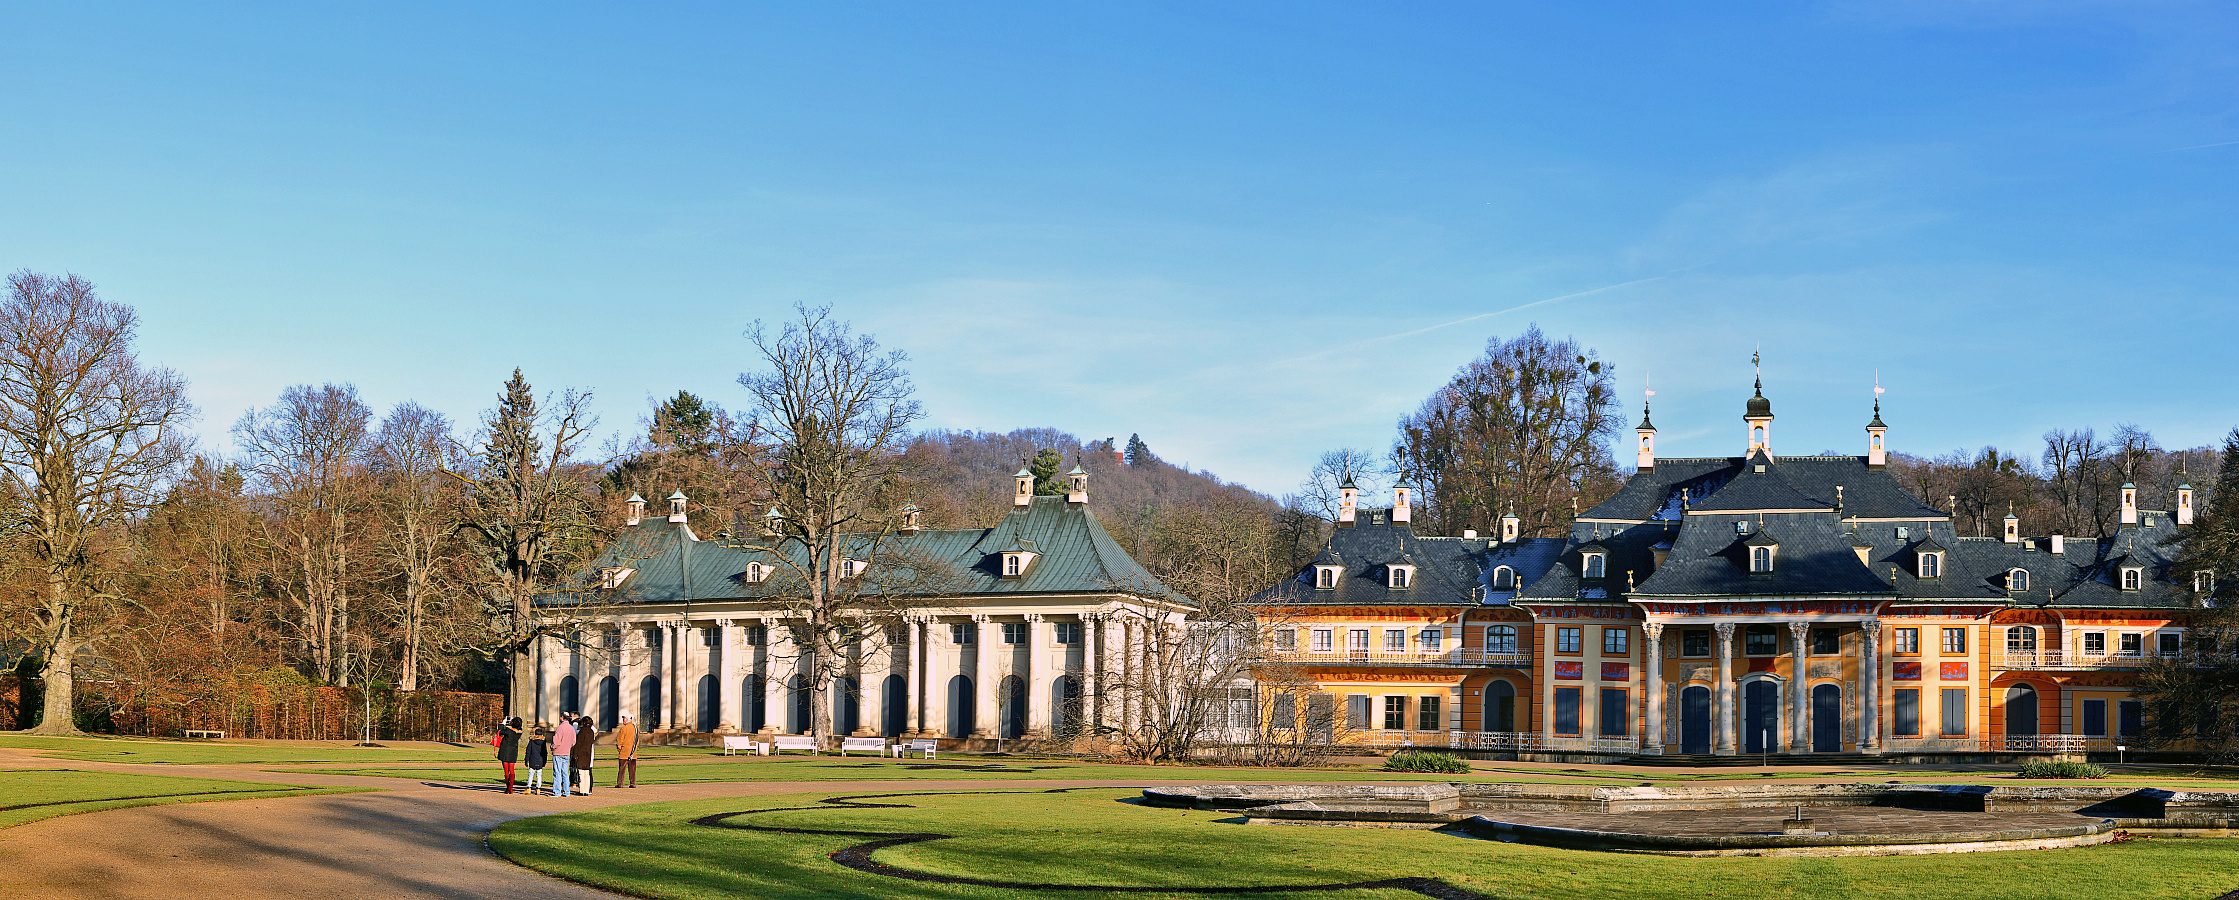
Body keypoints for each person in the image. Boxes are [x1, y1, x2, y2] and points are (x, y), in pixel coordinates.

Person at [495, 716, 523, 794]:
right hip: (513, 751)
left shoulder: (508, 731)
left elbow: (499, 732)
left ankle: (508, 787)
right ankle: (510, 787)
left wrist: (503, 723)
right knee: (512, 770)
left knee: (506, 771)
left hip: (505, 750)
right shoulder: (520, 731)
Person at [572, 715, 598, 796]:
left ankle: (582, 790)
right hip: (588, 753)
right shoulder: (591, 732)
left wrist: (575, 754)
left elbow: (578, 744)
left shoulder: (582, 731)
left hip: (581, 753)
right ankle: (587, 790)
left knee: (581, 772)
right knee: (587, 773)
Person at [551, 713, 576, 798]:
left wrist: (552, 747)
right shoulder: (571, 728)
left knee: (557, 773)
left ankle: (557, 792)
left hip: (558, 752)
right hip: (566, 752)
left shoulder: (560, 728)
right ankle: (566, 791)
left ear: (562, 718)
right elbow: (573, 742)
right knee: (565, 773)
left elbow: (556, 741)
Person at [613, 713, 639, 788]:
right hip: (633, 752)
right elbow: (637, 740)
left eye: (624, 718)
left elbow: (619, 740)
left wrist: (619, 748)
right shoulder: (635, 728)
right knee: (632, 769)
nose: (623, 720)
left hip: (624, 752)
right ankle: (633, 783)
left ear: (628, 720)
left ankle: (620, 783)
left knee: (622, 769)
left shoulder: (624, 729)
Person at [523, 725, 551, 796]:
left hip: (532, 759)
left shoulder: (532, 741)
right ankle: (538, 788)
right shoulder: (543, 742)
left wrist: (526, 760)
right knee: (539, 775)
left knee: (531, 774)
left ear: (535, 734)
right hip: (540, 760)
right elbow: (544, 753)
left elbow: (528, 751)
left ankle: (528, 787)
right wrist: (545, 761)